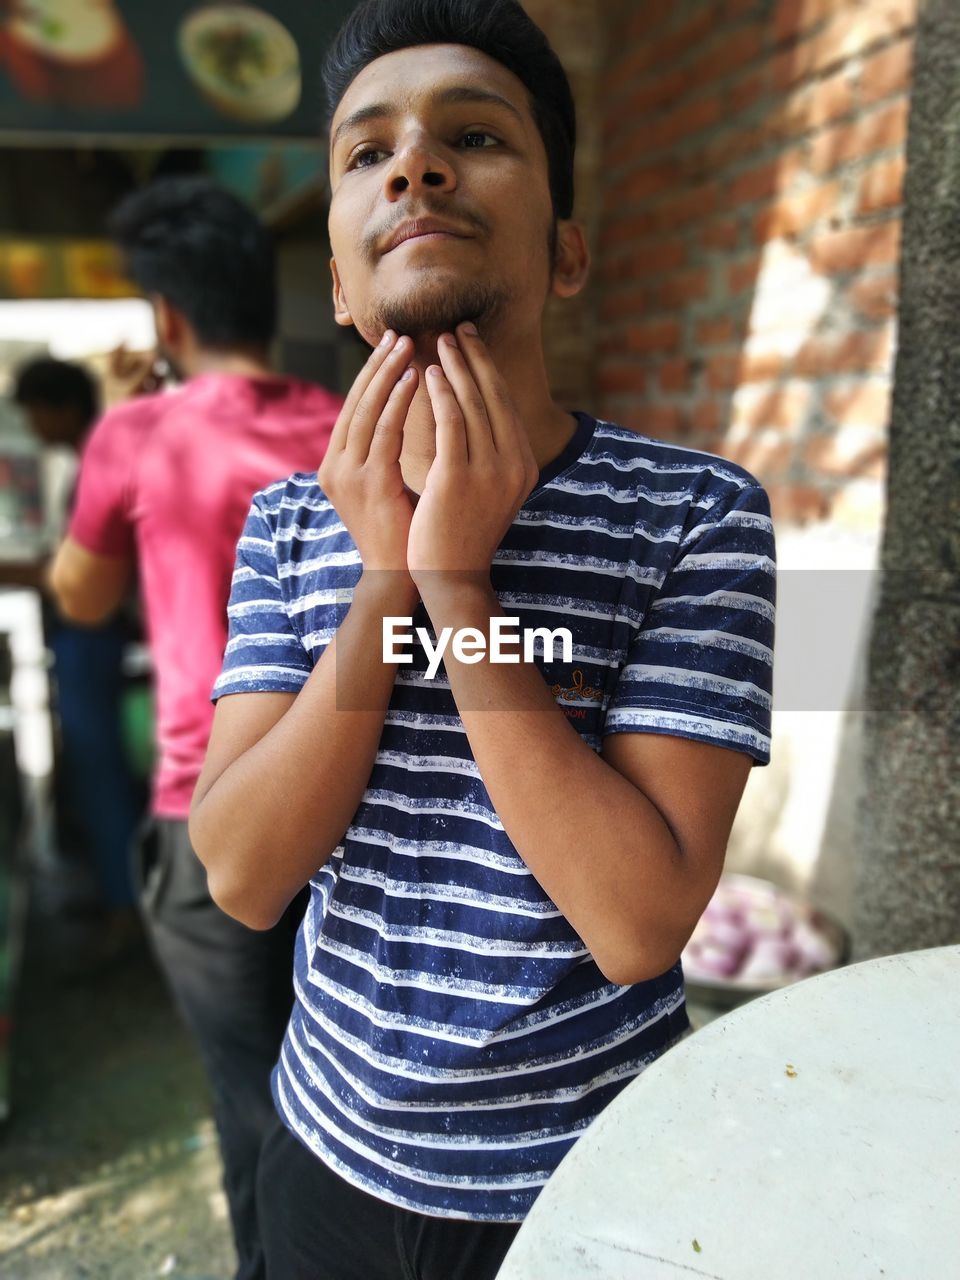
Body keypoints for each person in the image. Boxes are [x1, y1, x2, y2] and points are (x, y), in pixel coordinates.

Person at [190, 3, 777, 1277]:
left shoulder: (698, 514)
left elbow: (636, 921)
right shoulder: (290, 524)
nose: (414, 166)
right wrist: (385, 576)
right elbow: (239, 874)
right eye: (366, 152)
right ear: (341, 283)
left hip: (592, 1173)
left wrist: (458, 582)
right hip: (326, 1147)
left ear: (567, 253)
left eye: (473, 133)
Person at [47, 177, 343, 1280]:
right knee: (341, 1075)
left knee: (249, 1093)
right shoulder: (344, 426)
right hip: (346, 812)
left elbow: (80, 597)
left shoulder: (136, 434)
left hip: (206, 815)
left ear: (166, 317)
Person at [11, 357, 143, 936]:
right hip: (89, 636)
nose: (31, 424)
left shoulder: (100, 457)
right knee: (96, 774)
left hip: (93, 637)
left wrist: (16, 572)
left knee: (102, 775)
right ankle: (119, 895)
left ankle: (125, 906)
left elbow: (82, 572)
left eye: (34, 410)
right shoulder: (91, 458)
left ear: (60, 408)